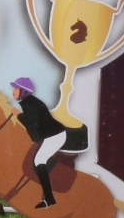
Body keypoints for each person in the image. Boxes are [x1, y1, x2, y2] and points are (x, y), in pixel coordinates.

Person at [10, 76, 87, 208]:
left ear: (23, 91)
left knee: (39, 161)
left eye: (16, 89)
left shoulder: (29, 104)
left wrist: (18, 115)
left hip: (55, 136)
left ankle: (49, 198)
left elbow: (31, 122)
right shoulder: (29, 102)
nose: (13, 91)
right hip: (51, 134)